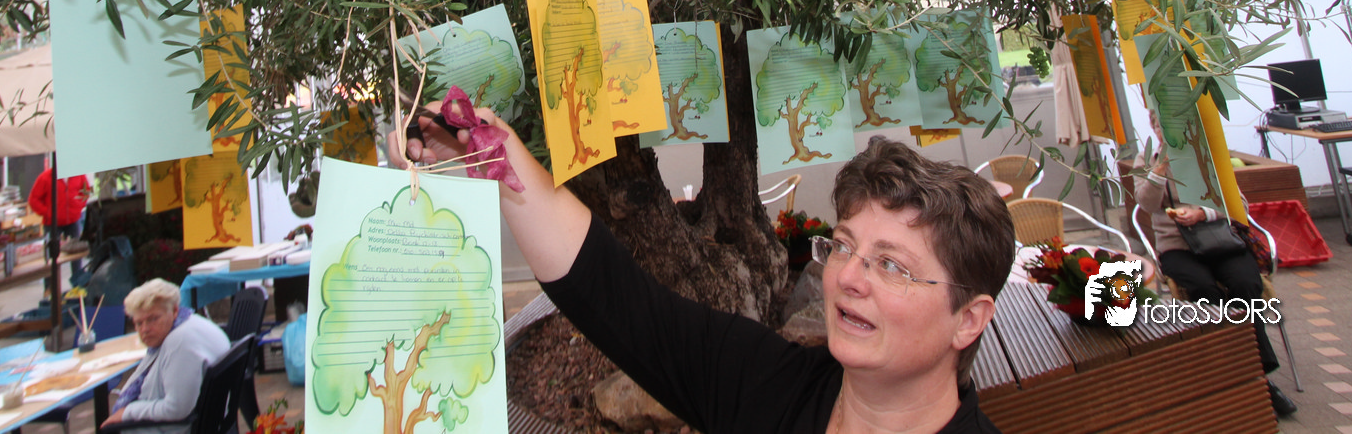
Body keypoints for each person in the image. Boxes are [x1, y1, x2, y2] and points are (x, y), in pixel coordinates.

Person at [398, 110, 1015, 434]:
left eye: (892, 265)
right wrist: (498, 159)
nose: (850, 277)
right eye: (845, 247)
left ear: (969, 318)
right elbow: (619, 301)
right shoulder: (766, 385)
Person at [1134, 157, 1296, 416]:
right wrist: (1159, 169)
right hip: (1176, 247)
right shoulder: (1147, 159)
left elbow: (1238, 204)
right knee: (1205, 292)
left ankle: (1253, 374)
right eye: (1160, 131)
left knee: (1246, 284)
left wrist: (1203, 213)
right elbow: (1146, 204)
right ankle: (1249, 378)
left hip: (1220, 240)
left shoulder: (1206, 152)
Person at [101, 278, 230, 433]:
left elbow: (176, 408)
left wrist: (127, 412)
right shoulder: (191, 322)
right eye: (139, 323)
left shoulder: (180, 342)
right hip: (206, 421)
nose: (145, 329)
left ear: (174, 311)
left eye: (153, 319)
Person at [29, 168, 91, 248]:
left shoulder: (79, 175)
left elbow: (86, 191)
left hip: (73, 221)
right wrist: (48, 212)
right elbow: (33, 200)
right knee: (51, 251)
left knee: (76, 250)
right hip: (52, 223)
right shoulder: (45, 177)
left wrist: (78, 206)